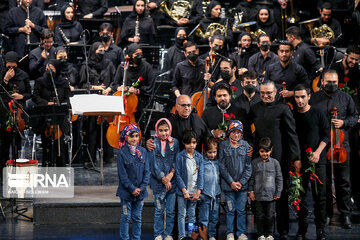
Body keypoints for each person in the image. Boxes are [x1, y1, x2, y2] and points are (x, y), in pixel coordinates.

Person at [249, 81, 301, 239]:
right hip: (258, 158)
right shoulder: (255, 108)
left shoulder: (283, 109)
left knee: (280, 194)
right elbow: (250, 131)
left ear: (276, 92)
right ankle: (262, 231)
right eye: (262, 93)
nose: (265, 96)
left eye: (269, 93)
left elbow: (292, 135)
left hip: (279, 159)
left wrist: (296, 158)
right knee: (258, 193)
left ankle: (283, 230)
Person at [309, 69, 358, 229]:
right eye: (328, 81)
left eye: (334, 82)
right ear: (322, 82)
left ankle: (345, 214)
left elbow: (354, 117)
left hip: (341, 147)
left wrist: (343, 123)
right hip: (321, 147)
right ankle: (327, 214)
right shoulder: (314, 98)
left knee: (343, 181)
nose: (332, 84)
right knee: (324, 183)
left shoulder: (345, 97)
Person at [293, 85, 329, 240]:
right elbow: (291, 140)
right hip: (299, 162)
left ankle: (320, 229)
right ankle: (302, 229)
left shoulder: (318, 113)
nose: (300, 100)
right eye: (297, 97)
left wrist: (318, 152)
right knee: (299, 196)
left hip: (317, 160)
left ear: (309, 96)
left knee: (319, 196)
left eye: (302, 97)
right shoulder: (292, 114)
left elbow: (326, 135)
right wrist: (295, 159)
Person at [79, 42, 115, 165]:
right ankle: (91, 158)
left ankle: (108, 157)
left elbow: (114, 81)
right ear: (93, 51)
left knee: (106, 128)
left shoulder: (109, 64)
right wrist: (96, 87)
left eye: (103, 49)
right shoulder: (86, 66)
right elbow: (83, 84)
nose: (102, 52)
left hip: (106, 100)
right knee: (92, 130)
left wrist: (108, 89)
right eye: (99, 50)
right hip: (92, 101)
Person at [32, 59, 71, 167]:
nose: (49, 70)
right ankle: (47, 163)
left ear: (57, 69)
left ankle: (60, 165)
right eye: (47, 68)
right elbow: (35, 97)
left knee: (60, 142)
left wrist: (60, 105)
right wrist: (46, 103)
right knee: (47, 142)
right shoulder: (40, 81)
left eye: (52, 68)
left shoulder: (63, 82)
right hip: (45, 115)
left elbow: (68, 98)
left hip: (59, 116)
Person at [219, 120, 252, 240]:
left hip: (242, 187)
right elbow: (222, 166)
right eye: (233, 132)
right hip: (229, 186)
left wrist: (241, 182)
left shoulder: (246, 146)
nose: (236, 135)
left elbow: (248, 167)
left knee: (242, 210)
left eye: (239, 132)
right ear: (229, 132)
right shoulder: (223, 145)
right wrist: (231, 182)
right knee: (230, 209)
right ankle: (230, 232)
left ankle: (241, 232)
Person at [116, 124, 150, 240]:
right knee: (126, 216)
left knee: (137, 217)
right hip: (126, 192)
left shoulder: (143, 151)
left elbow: (147, 171)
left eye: (136, 136)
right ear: (126, 137)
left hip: (140, 192)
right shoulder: (121, 153)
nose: (134, 139)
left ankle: (136, 238)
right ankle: (125, 238)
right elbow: (122, 175)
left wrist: (141, 188)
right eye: (131, 136)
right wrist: (132, 188)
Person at [0, 51, 31, 173]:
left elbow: (29, 94)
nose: (11, 69)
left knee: (17, 144)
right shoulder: (2, 74)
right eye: (9, 66)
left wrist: (21, 96)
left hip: (19, 113)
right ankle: (3, 170)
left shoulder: (23, 75)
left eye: (13, 66)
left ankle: (18, 170)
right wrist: (5, 80)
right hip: (4, 111)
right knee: (4, 144)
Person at [149, 118, 179, 240]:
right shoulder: (153, 143)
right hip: (158, 183)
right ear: (157, 130)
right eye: (161, 130)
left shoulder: (175, 142)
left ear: (170, 130)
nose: (164, 133)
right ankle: (158, 234)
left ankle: (168, 234)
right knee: (159, 210)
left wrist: (170, 175)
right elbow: (153, 164)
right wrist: (163, 178)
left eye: (166, 130)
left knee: (171, 211)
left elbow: (177, 160)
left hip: (172, 183)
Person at [249, 137, 283, 240]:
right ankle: (260, 234)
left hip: (271, 196)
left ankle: (270, 234)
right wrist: (251, 191)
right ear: (258, 151)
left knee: (270, 216)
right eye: (262, 151)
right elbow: (251, 178)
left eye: (267, 151)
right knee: (259, 216)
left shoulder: (275, 163)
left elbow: (279, 178)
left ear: (271, 149)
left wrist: (278, 192)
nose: (265, 154)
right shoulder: (254, 163)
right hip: (258, 195)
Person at [112, 43, 154, 120]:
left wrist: (137, 91)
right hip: (124, 102)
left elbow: (150, 86)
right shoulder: (122, 67)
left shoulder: (147, 67)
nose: (139, 56)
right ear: (130, 55)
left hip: (140, 103)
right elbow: (115, 84)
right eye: (137, 54)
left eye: (141, 54)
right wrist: (119, 88)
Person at [175, 130, 204, 239]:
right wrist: (184, 190)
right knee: (182, 214)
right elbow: (177, 175)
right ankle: (182, 236)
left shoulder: (199, 157)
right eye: (189, 143)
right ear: (184, 143)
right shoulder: (180, 156)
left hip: (194, 192)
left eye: (194, 142)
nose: (191, 145)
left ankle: (193, 236)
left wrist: (199, 191)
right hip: (183, 192)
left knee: (192, 214)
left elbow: (201, 175)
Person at [199, 138, 220, 240]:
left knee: (214, 218)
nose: (212, 154)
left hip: (216, 196)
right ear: (205, 152)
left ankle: (212, 235)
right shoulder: (202, 163)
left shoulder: (218, 163)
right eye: (210, 152)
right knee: (204, 218)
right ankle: (203, 235)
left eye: (214, 152)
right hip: (205, 195)